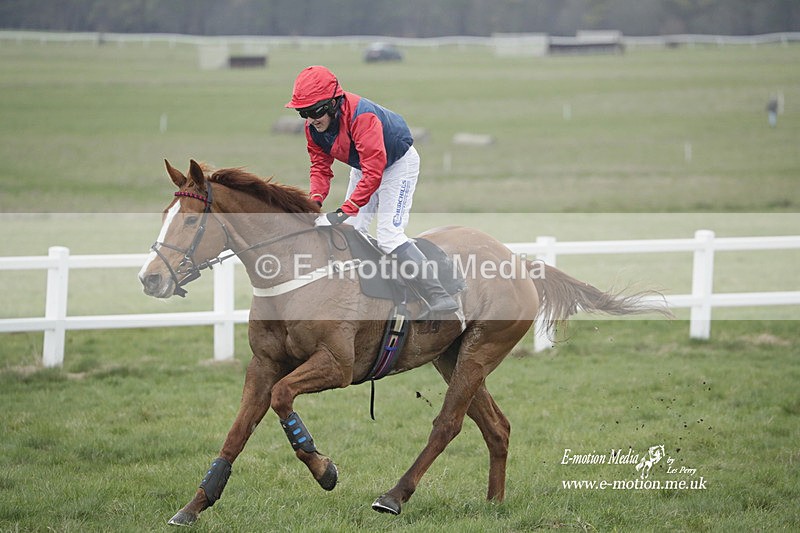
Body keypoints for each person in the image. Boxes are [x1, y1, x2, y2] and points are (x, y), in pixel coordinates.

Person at [285, 65, 458, 314]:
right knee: (352, 231)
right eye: (303, 113)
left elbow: (374, 172)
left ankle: (439, 295)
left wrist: (345, 209)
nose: (310, 119)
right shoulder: (313, 128)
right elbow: (320, 167)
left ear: (333, 103)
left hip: (396, 164)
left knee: (388, 234)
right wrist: (315, 202)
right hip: (364, 165)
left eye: (314, 111)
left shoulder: (362, 117)